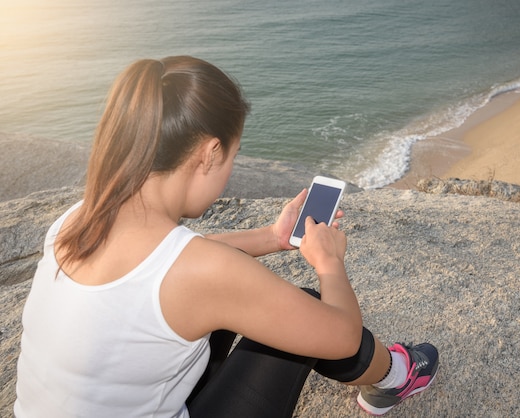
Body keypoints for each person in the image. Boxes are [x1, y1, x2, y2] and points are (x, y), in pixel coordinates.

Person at [13, 56, 438, 417]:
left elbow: (165, 268)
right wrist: (330, 263)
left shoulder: (76, 221)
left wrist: (273, 237)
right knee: (306, 308)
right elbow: (342, 334)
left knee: (238, 307)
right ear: (210, 153)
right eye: (233, 156)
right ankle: (397, 378)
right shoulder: (203, 274)